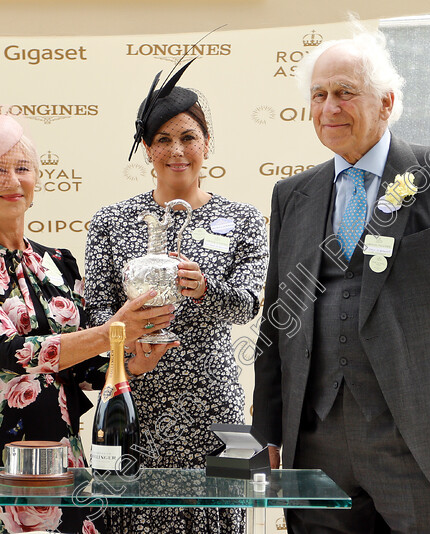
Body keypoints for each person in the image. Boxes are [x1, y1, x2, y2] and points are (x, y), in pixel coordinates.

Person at [251, 29, 430, 533]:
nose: (328, 107)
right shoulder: (291, 195)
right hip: (315, 446)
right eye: (318, 95)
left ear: (386, 103)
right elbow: (279, 322)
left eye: (344, 92)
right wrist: (267, 437)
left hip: (424, 443)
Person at [0, 90, 176, 534]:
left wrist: (129, 360)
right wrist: (113, 330)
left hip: (55, 436)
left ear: (37, 180)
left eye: (23, 168)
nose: (12, 180)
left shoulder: (61, 261)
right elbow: (9, 352)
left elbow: (81, 367)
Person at [83, 67, 269, 533]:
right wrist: (128, 340)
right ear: (148, 149)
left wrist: (206, 288)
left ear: (208, 142)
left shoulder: (243, 219)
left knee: (220, 519)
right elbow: (96, 314)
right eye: (163, 139)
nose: (177, 151)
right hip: (131, 399)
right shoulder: (111, 221)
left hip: (215, 405)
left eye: (189, 136)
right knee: (127, 515)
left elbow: (248, 305)